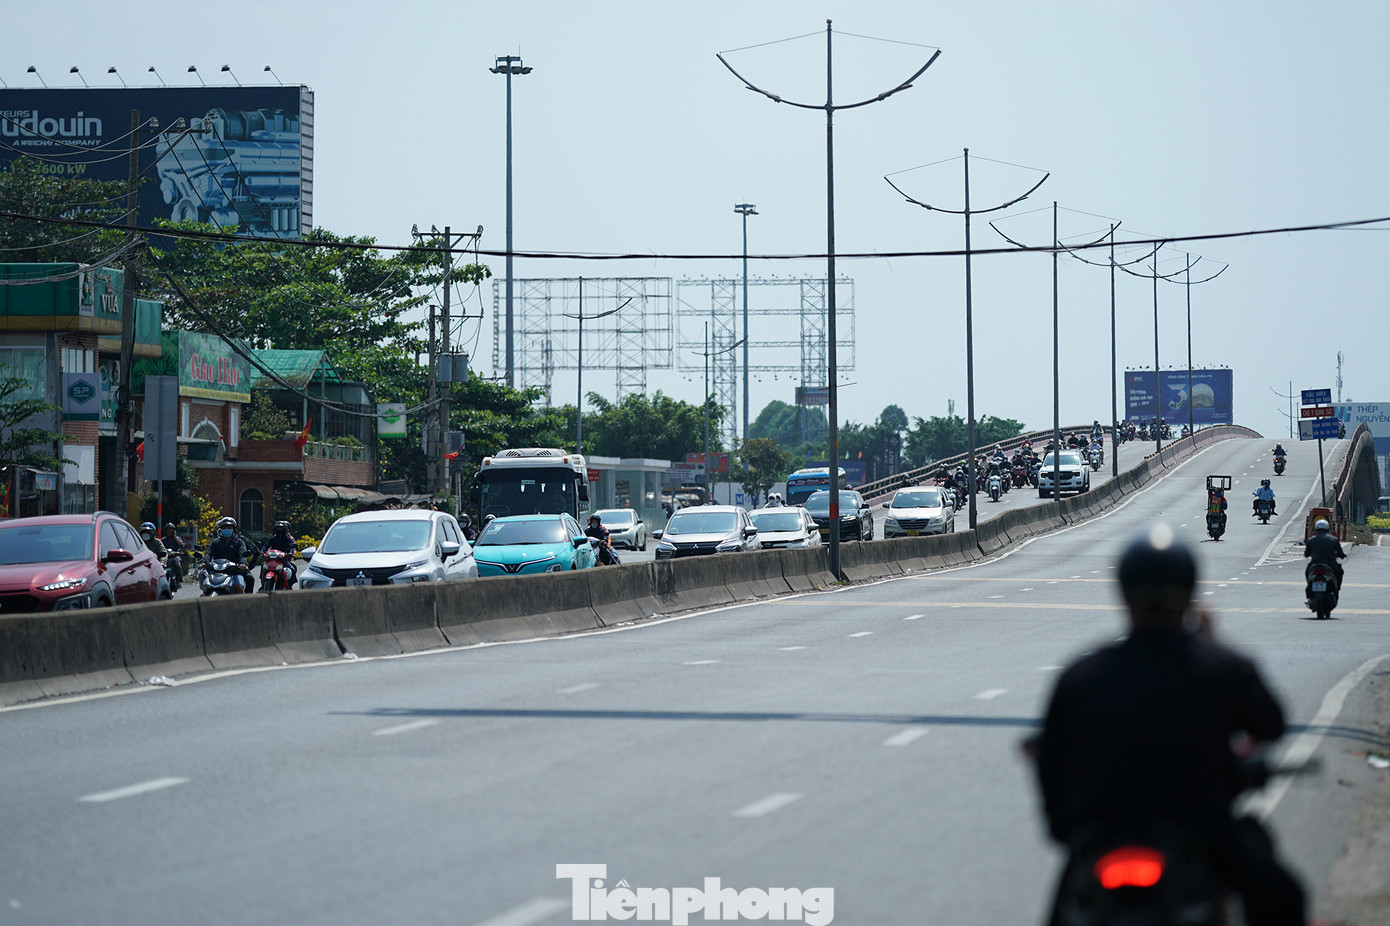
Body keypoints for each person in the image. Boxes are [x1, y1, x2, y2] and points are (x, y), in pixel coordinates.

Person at [1034, 527, 1306, 926]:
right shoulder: (1221, 667)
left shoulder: (1082, 676)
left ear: (1124, 593)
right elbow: (1271, 725)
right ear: (1189, 591)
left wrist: (1067, 827)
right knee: (1280, 896)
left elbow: (1049, 759)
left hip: (1100, 834)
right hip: (1199, 828)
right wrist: (1209, 642)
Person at [206, 516, 257, 593]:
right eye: (224, 528)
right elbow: (208, 552)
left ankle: (247, 600)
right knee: (206, 584)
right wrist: (204, 562)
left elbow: (242, 554)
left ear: (234, 529)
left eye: (229, 528)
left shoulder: (239, 542)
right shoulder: (215, 542)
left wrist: (243, 564)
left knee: (241, 584)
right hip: (217, 571)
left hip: (235, 571)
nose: (226, 529)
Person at [1303, 518, 1347, 598]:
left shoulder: (1311, 540)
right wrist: (1342, 555)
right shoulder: (1333, 539)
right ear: (1327, 529)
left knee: (1307, 571)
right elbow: (1340, 552)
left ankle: (1309, 585)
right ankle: (1337, 588)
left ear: (1316, 529)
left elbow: (1306, 554)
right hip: (1330, 565)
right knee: (1339, 572)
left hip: (1315, 564)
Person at [259, 520, 298, 589]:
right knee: (263, 565)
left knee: (292, 569)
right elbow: (266, 545)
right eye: (278, 528)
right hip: (271, 559)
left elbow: (292, 546)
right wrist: (262, 551)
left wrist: (290, 553)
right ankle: (263, 584)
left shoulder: (288, 539)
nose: (279, 530)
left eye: (281, 528)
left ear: (285, 529)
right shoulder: (272, 539)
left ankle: (289, 586)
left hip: (283, 560)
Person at [160, 522, 186, 587]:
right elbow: (160, 548)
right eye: (168, 531)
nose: (170, 532)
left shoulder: (178, 538)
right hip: (166, 557)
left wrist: (175, 537)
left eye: (171, 531)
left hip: (175, 556)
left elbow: (181, 545)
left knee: (177, 565)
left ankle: (178, 581)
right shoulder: (163, 540)